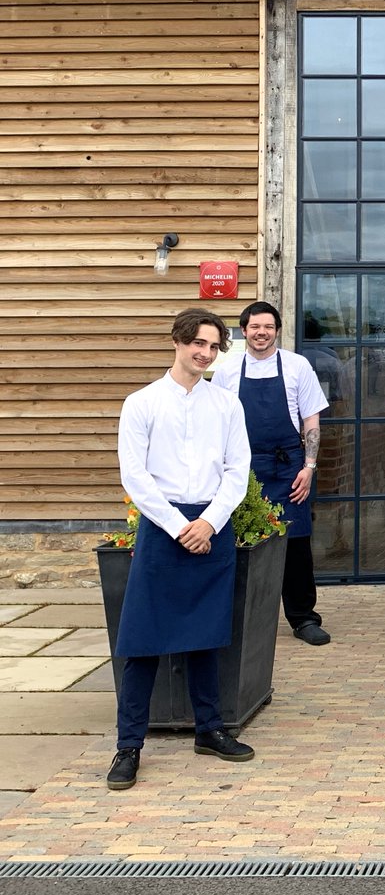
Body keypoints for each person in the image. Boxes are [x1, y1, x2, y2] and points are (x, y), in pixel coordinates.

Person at [107, 309, 255, 790]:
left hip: (214, 526)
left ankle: (209, 729)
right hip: (162, 527)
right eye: (199, 344)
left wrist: (210, 521)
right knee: (141, 641)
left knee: (208, 635)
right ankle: (128, 746)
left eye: (214, 347)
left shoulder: (227, 405)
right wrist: (179, 526)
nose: (206, 354)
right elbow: (135, 476)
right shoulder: (141, 402)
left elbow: (238, 469)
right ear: (178, 340)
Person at [211, 301, 331, 646]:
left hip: (288, 466)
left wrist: (309, 467)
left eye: (268, 327)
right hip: (242, 468)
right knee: (242, 541)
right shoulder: (227, 372)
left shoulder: (297, 366)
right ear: (244, 331)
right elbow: (217, 425)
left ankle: (304, 618)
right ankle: (241, 618)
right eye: (254, 327)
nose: (261, 332)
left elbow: (311, 419)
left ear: (277, 331)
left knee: (295, 546)